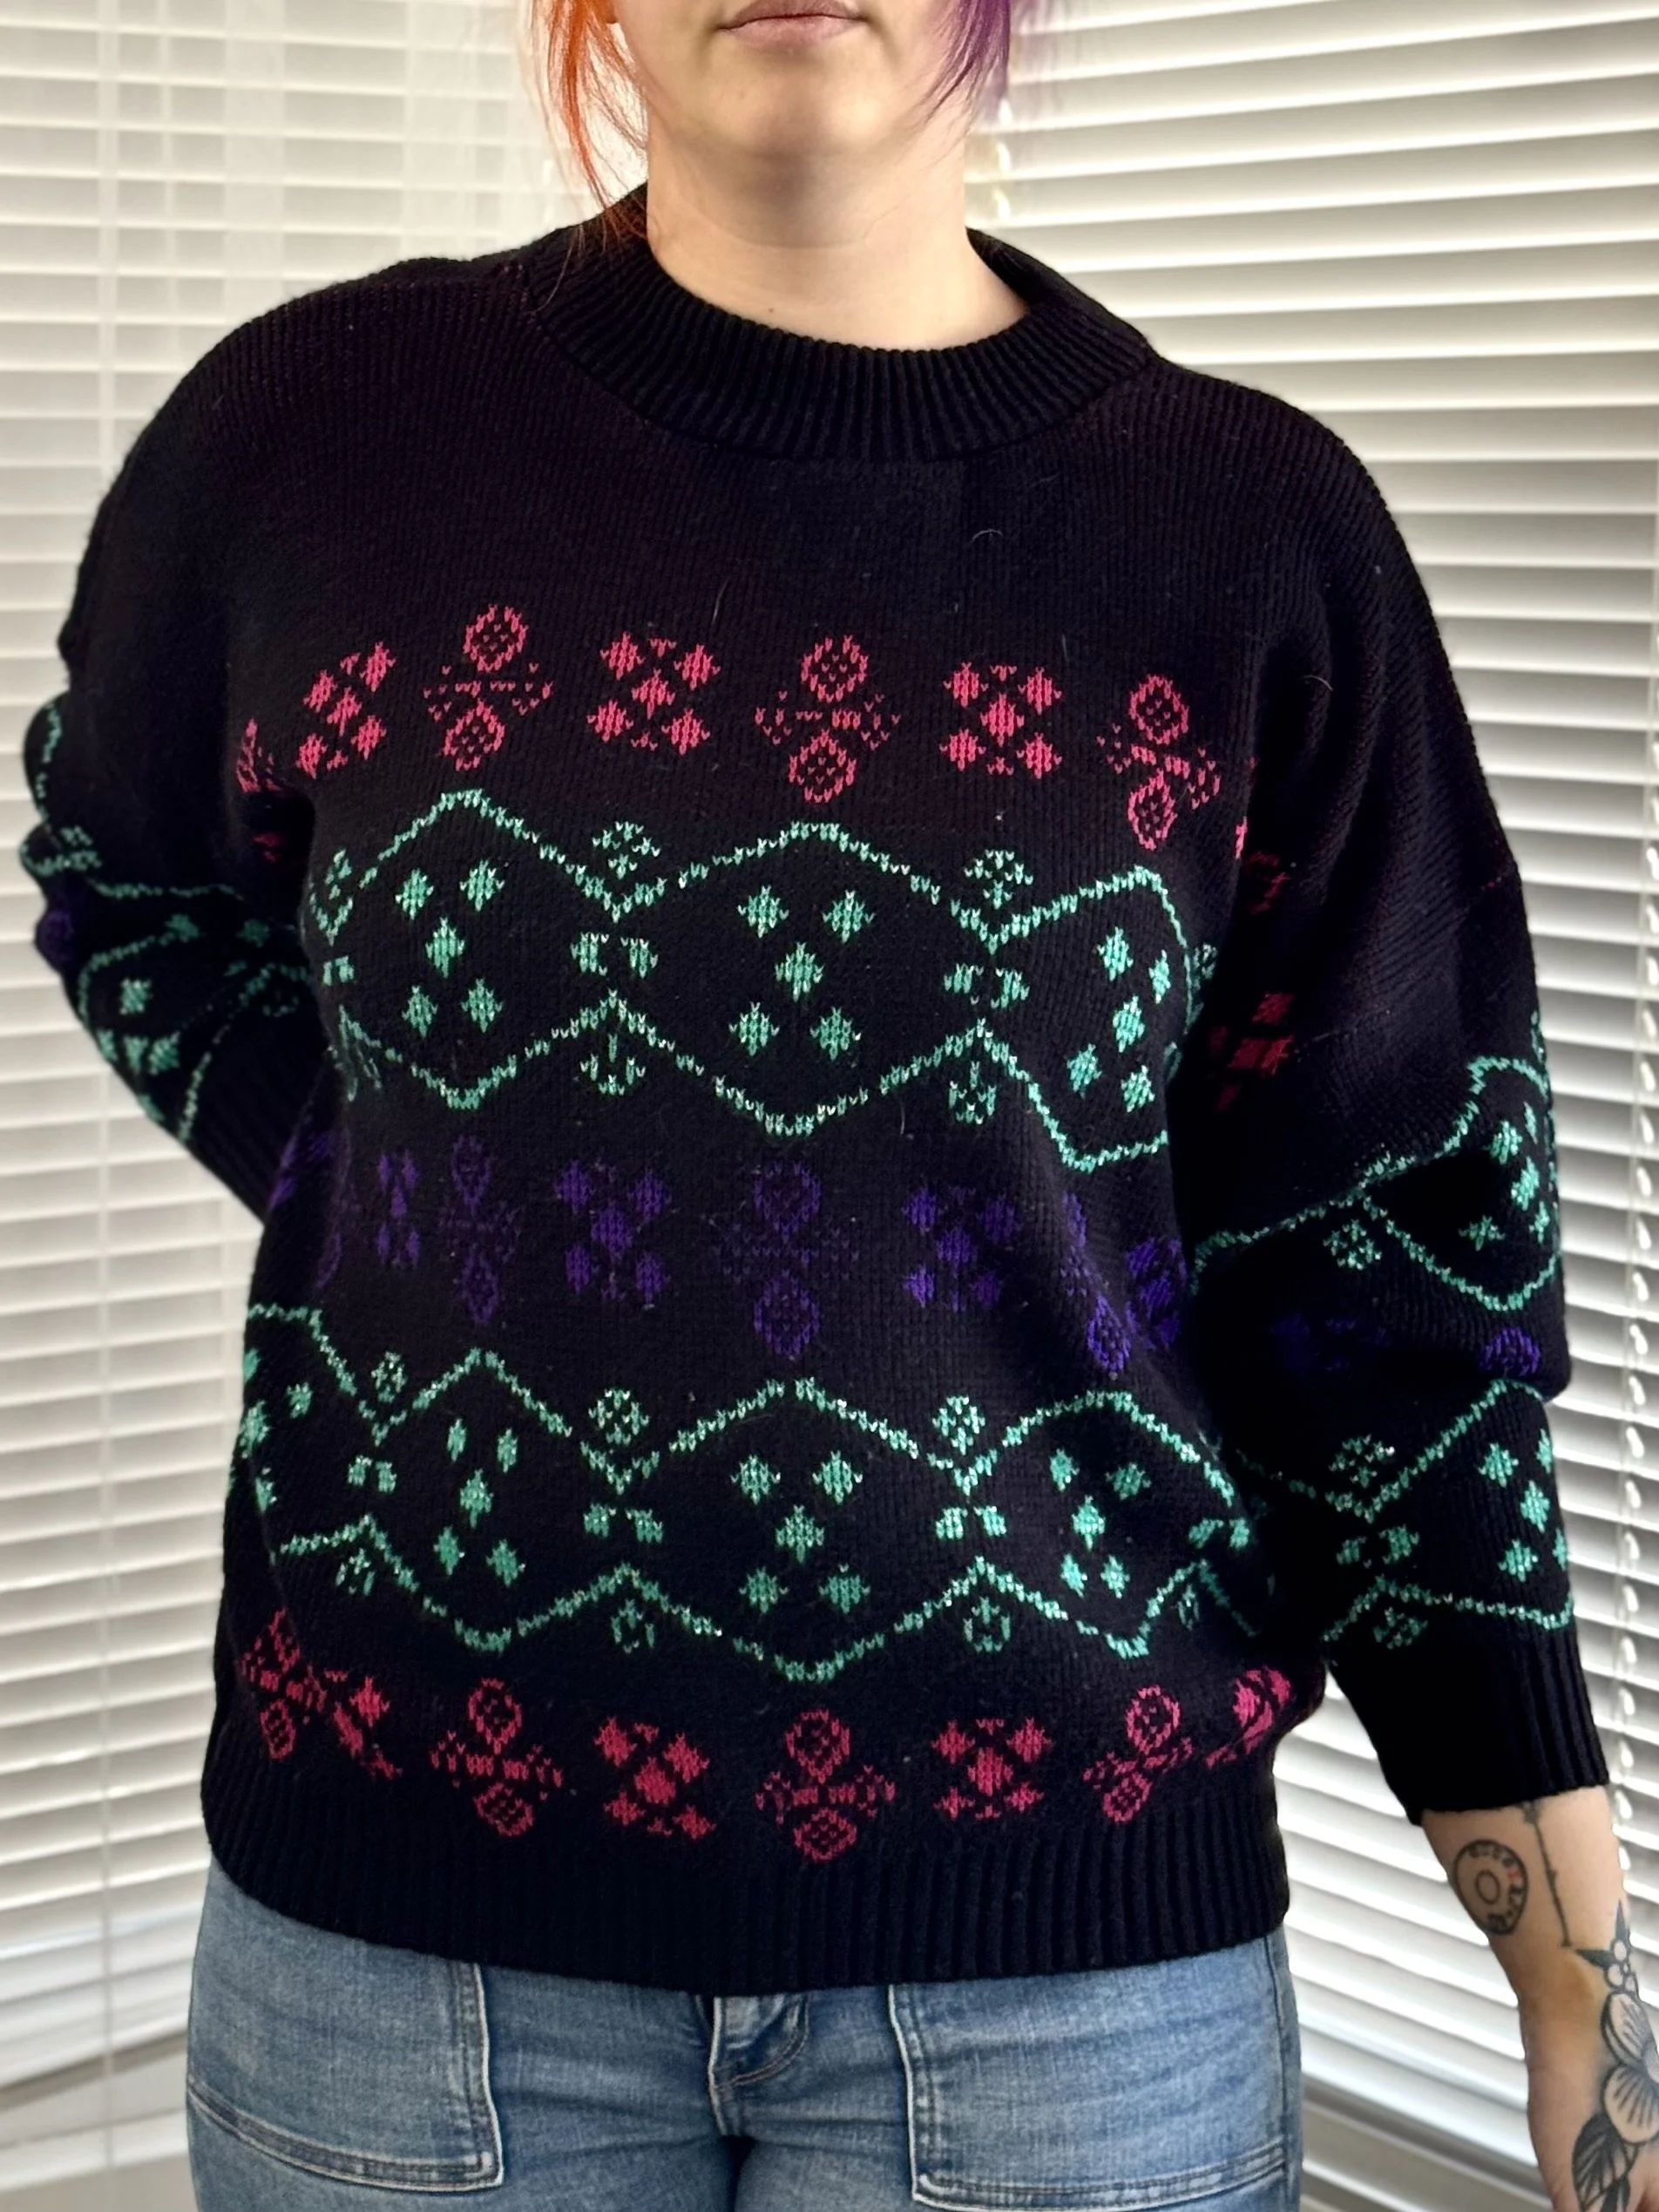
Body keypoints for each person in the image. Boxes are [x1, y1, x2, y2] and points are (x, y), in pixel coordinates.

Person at [14, 0, 1649, 2199]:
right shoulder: (316, 433)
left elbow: (1387, 1296)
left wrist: (1578, 1998)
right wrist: (378, 1170)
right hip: (404, 1966)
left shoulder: (1251, 541)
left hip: (1073, 1994)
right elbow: (128, 879)